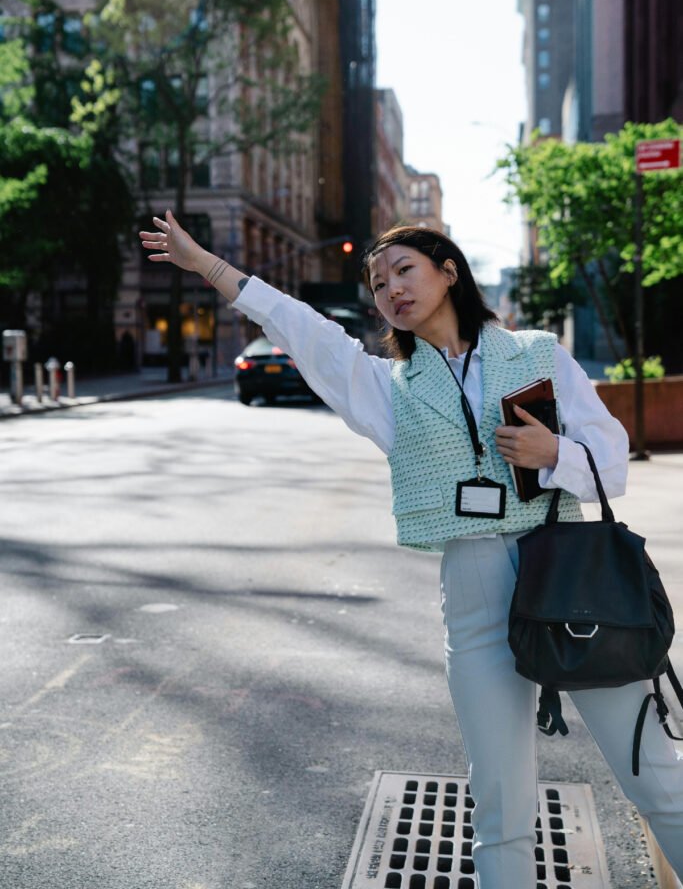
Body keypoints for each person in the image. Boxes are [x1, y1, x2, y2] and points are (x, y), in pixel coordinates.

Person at [139, 210, 683, 889]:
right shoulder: (385, 388)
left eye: (404, 270)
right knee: (499, 804)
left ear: (448, 271)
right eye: (376, 282)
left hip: (571, 566)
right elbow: (299, 328)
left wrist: (555, 455)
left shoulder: (537, 352)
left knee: (654, 772)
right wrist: (207, 267)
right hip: (473, 578)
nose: (389, 289)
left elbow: (613, 462)